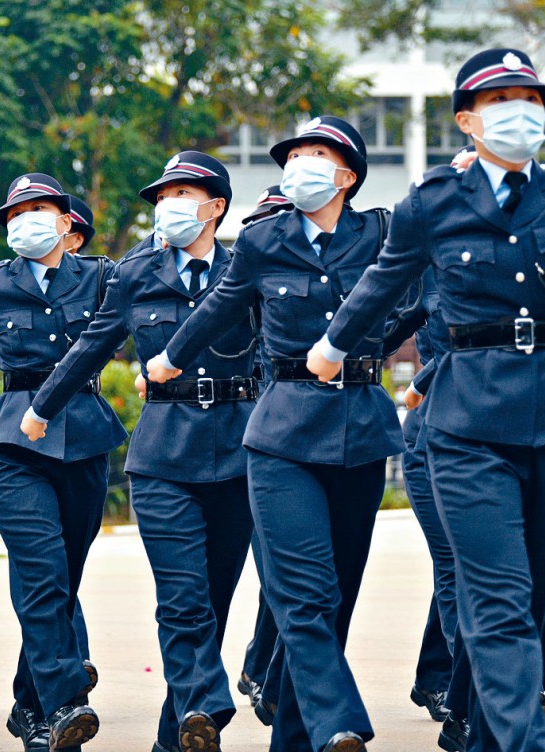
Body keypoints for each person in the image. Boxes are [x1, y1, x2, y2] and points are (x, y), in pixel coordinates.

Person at [305, 49, 545, 752]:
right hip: (469, 422)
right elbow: (385, 282)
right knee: (500, 598)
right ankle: (525, 741)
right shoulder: (434, 200)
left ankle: (489, 736)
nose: (519, 110)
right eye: (499, 99)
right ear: (466, 120)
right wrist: (332, 347)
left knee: (537, 596)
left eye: (530, 97)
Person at [146, 117, 402, 752]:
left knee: (336, 596)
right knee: (304, 595)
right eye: (296, 154)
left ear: (348, 176)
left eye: (319, 154)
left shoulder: (382, 234)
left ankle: (297, 736)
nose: (302, 163)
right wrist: (170, 357)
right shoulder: (263, 240)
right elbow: (219, 306)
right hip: (283, 431)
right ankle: (340, 722)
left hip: (363, 427)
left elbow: (421, 296)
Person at [22, 151, 258, 752]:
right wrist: (42, 405)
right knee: (181, 597)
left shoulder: (247, 271)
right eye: (162, 195)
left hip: (239, 447)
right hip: (162, 455)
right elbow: (91, 346)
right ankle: (205, 701)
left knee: (215, 600)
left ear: (216, 206)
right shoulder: (136, 273)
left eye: (183, 192)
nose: (169, 205)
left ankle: (175, 735)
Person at [0, 172, 124, 751]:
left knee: (65, 578)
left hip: (83, 436)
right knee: (39, 573)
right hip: (14, 445)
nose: (24, 220)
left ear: (67, 223)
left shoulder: (103, 278)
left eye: (39, 209)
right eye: (14, 214)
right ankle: (64, 700)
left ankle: (29, 707)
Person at [234, 184, 294, 726]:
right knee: (270, 570)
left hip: (291, 437)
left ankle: (264, 668)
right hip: (242, 441)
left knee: (283, 573)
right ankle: (262, 668)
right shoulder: (236, 288)